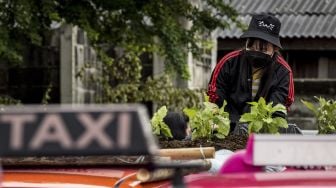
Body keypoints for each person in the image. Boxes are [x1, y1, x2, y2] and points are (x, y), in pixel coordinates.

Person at [207, 13, 294, 132]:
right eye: (251, 47)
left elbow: (279, 108)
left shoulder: (283, 72)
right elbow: (215, 95)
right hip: (227, 129)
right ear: (246, 42)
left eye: (263, 49)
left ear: (275, 49)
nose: (256, 52)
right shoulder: (228, 63)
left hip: (263, 133)